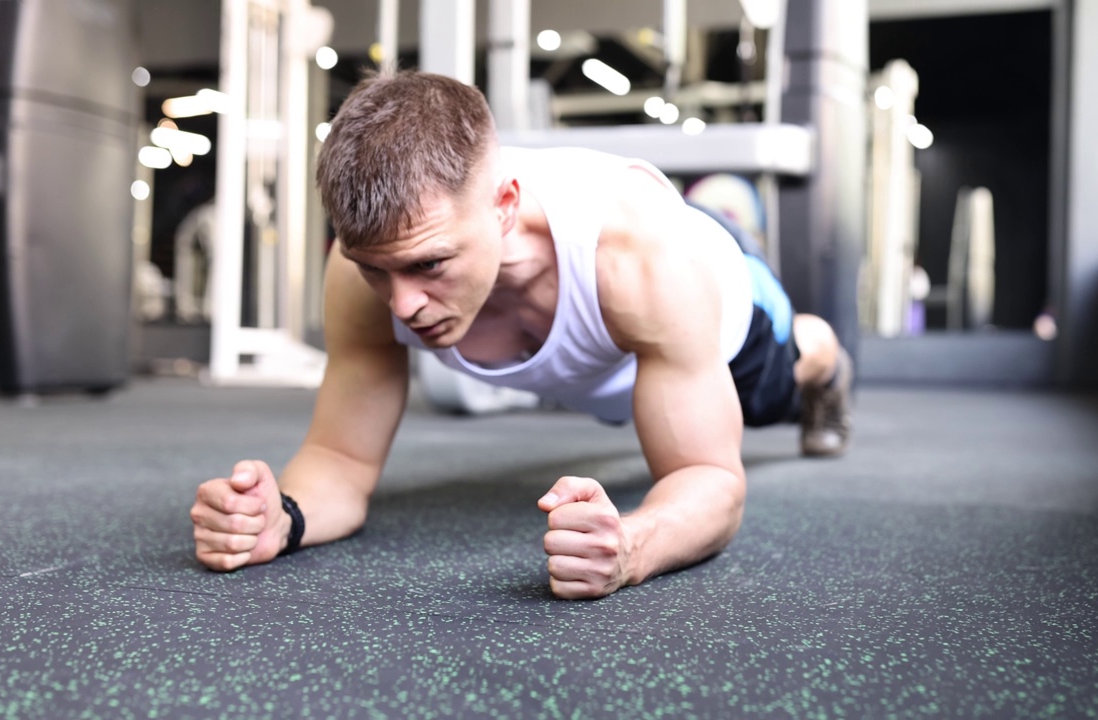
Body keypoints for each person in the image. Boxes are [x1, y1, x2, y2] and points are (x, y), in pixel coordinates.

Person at [190, 71, 853, 600]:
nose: (404, 304)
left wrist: (633, 545)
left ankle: (825, 363)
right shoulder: (366, 270)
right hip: (617, 359)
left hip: (724, 306)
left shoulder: (638, 258)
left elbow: (708, 477)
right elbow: (341, 461)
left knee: (788, 376)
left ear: (505, 206)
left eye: (429, 265)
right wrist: (281, 517)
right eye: (375, 271)